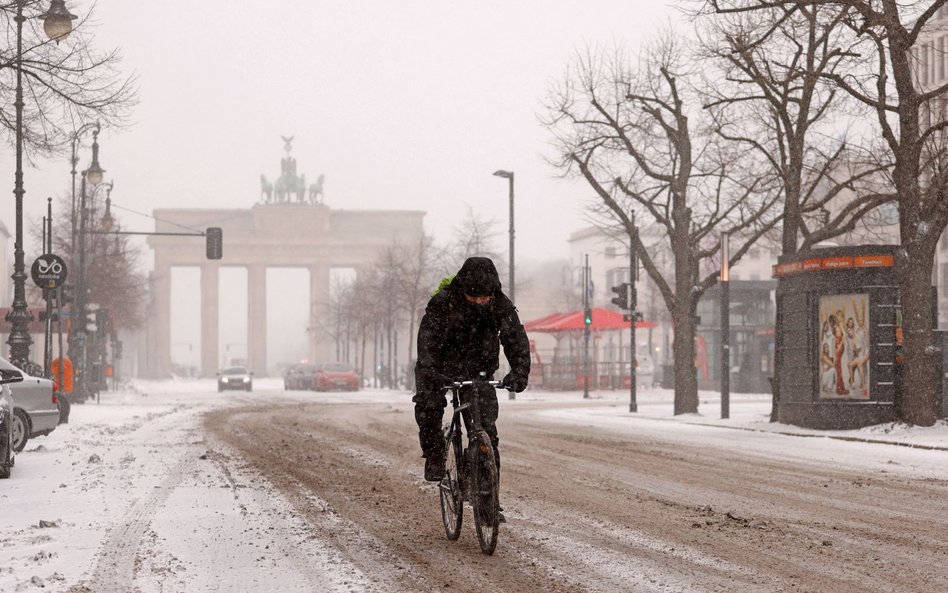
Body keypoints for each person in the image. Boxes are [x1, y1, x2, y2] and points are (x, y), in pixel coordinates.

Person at [412, 257, 530, 487]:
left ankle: (487, 501)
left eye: (484, 298)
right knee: (429, 406)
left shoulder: (500, 304)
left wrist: (520, 371)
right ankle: (435, 455)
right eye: (473, 297)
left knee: (487, 431)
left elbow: (515, 338)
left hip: (479, 369)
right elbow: (427, 341)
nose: (478, 302)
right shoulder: (443, 302)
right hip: (439, 367)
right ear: (462, 290)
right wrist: (431, 370)